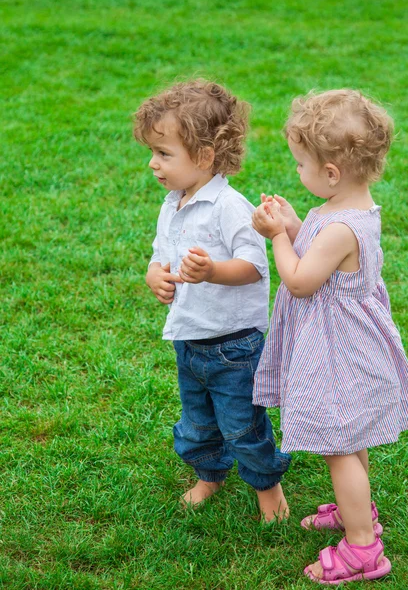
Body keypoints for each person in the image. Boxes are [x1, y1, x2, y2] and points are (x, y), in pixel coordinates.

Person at [252, 89, 408, 582]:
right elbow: (319, 246)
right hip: (347, 345)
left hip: (337, 353)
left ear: (331, 173)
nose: (298, 174)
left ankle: (363, 549)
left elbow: (302, 281)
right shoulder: (348, 209)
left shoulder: (339, 227)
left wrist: (278, 237)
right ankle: (358, 512)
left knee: (339, 445)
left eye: (302, 165)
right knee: (352, 436)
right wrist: (294, 221)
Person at [134, 79, 291, 522]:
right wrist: (155, 275)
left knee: (243, 426)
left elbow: (255, 267)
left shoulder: (230, 206)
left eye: (164, 154)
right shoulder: (173, 203)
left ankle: (268, 489)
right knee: (197, 424)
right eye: (153, 153)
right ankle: (210, 475)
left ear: (204, 156)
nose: (153, 164)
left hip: (233, 345)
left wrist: (213, 272)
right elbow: (160, 254)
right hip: (189, 339)